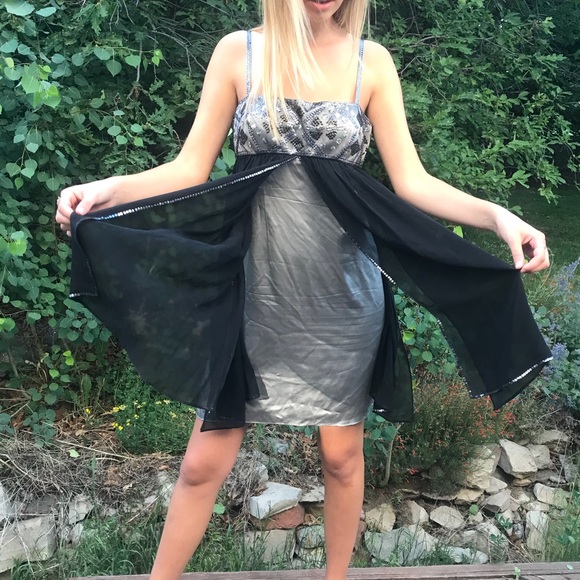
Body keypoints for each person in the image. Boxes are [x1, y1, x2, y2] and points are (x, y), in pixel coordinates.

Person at [56, 1, 551, 578]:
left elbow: (412, 182)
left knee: (341, 459)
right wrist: (107, 190)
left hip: (342, 298)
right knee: (201, 464)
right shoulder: (238, 53)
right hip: (251, 293)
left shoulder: (371, 62)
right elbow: (189, 169)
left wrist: (498, 216)